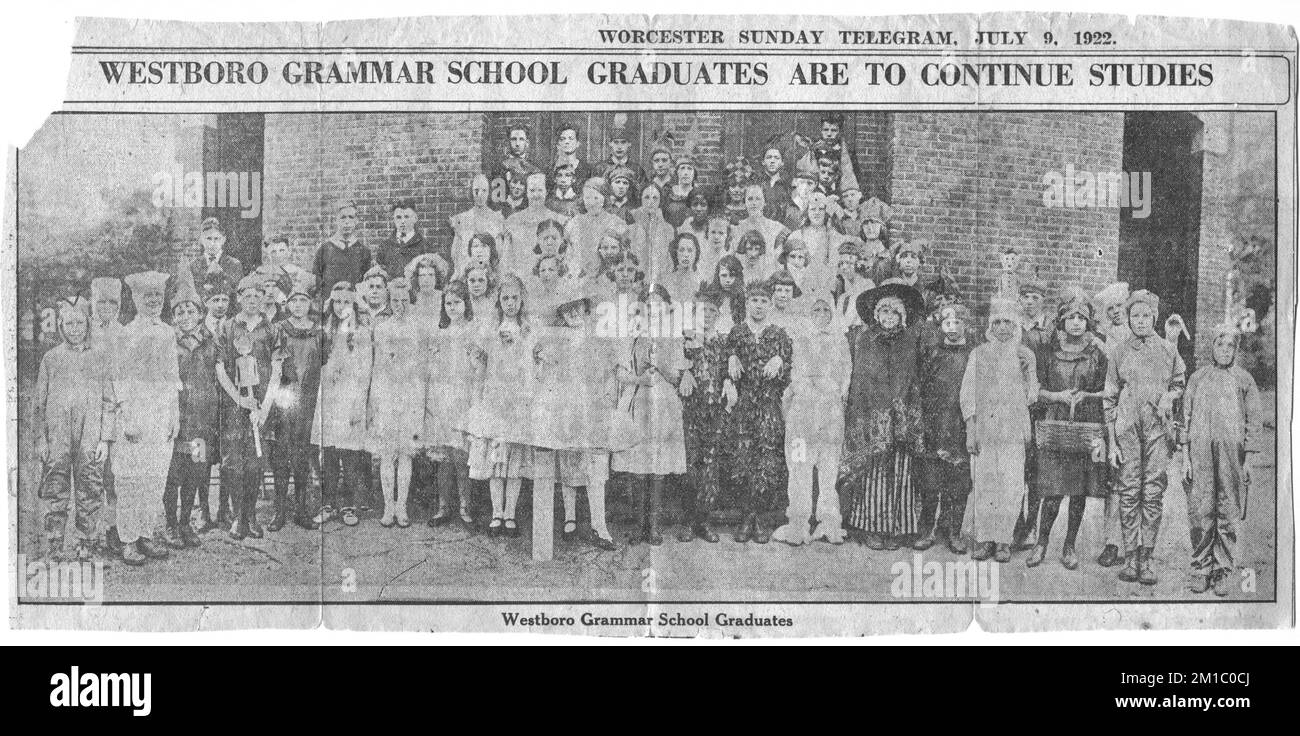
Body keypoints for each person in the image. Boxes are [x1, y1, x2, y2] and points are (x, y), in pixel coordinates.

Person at [531, 283, 629, 551]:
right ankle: (570, 518)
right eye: (567, 308)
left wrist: (608, 396)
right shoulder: (556, 340)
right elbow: (542, 374)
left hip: (593, 408)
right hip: (565, 408)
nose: (573, 312)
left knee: (595, 467)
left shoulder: (598, 339)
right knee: (568, 461)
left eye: (577, 307)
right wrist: (541, 360)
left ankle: (600, 525)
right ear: (562, 313)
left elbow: (611, 373)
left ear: (586, 310)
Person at [1105, 289, 1186, 585]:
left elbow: (1179, 383)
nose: (1140, 321)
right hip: (1127, 430)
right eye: (1135, 315)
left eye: (1146, 315)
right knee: (1128, 491)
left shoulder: (1167, 350)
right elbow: (1109, 399)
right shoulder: (1119, 351)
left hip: (1157, 431)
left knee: (1152, 492)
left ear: (1155, 317)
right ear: (1128, 318)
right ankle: (1129, 557)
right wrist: (1112, 442)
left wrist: (1170, 397)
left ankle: (1147, 557)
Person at [839, 280, 925, 550]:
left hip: (901, 417)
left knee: (900, 474)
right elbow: (860, 380)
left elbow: (913, 378)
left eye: (894, 314)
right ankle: (872, 528)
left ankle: (897, 529)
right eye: (884, 313)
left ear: (902, 316)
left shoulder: (910, 341)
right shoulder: (864, 340)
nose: (889, 318)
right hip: (871, 417)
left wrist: (900, 410)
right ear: (876, 315)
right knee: (874, 475)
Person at [1028, 289, 1109, 570]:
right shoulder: (1048, 353)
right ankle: (1041, 543)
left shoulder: (1097, 354)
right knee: (1051, 490)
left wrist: (1088, 396)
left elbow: (1107, 390)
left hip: (1084, 425)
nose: (1076, 322)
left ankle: (1069, 545)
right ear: (1061, 321)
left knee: (1078, 491)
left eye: (1081, 318)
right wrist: (1057, 396)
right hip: (1055, 423)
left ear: (1088, 322)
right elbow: (1035, 389)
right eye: (1071, 317)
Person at [1181, 322, 1262, 596]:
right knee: (1201, 508)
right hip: (1200, 453)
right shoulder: (1198, 378)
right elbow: (1185, 418)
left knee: (1227, 510)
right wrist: (1186, 458)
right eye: (1220, 344)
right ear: (1211, 347)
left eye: (1230, 346)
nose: (1225, 350)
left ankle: (1222, 570)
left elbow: (1253, 422)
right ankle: (1201, 567)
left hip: (1232, 457)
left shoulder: (1244, 380)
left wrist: (1247, 460)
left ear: (1236, 350)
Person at [33, 296, 116, 561]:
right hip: (57, 434)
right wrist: (41, 440)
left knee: (90, 487)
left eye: (80, 322)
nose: (75, 328)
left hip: (90, 434)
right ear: (60, 325)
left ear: (88, 323)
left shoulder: (100, 358)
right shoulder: (51, 359)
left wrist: (104, 439)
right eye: (69, 323)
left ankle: (86, 543)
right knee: (55, 486)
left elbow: (109, 402)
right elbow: (39, 404)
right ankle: (55, 544)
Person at [962, 297, 1038, 563]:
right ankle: (984, 538)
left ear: (1016, 326)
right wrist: (971, 428)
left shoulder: (1024, 354)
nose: (1003, 327)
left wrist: (1030, 372)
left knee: (1011, 484)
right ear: (990, 327)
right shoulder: (979, 353)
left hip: (1013, 430)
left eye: (1008, 322)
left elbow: (1032, 397)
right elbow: (968, 394)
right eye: (998, 322)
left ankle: (1004, 540)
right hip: (986, 429)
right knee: (985, 483)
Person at [460, 274, 536, 537]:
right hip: (494, 398)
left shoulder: (528, 330)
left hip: (518, 400)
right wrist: (478, 393)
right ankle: (496, 513)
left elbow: (534, 365)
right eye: (505, 298)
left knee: (513, 460)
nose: (510, 303)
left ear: (522, 300)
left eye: (515, 298)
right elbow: (479, 364)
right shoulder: (490, 330)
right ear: (499, 301)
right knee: (496, 459)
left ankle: (511, 513)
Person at [612, 284, 688, 546]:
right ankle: (639, 525)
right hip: (638, 399)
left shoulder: (673, 337)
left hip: (664, 402)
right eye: (648, 304)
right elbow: (620, 373)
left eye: (658, 304)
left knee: (658, 464)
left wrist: (660, 364)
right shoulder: (632, 336)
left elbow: (678, 376)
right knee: (637, 465)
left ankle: (654, 526)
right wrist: (639, 379)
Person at [113, 271, 181, 565]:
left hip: (161, 409)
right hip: (135, 410)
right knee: (131, 477)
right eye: (147, 296)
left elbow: (173, 376)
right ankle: (127, 538)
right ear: (135, 298)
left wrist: (174, 414)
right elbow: (119, 377)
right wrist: (127, 415)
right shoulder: (126, 333)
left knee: (155, 476)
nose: (154, 301)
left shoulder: (168, 331)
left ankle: (145, 533)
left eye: (158, 296)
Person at [773, 289, 848, 546]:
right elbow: (795, 373)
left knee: (829, 468)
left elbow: (845, 374)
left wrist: (833, 391)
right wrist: (806, 390)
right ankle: (798, 524)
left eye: (826, 310)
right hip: (803, 409)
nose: (821, 314)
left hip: (830, 410)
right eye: (816, 309)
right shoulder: (799, 338)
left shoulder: (840, 340)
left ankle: (829, 523)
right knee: (799, 467)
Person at [724, 280, 793, 544]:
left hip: (768, 405)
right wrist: (730, 360)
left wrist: (780, 360)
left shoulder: (778, 334)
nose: (759, 305)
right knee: (743, 460)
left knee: (766, 460)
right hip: (744, 406)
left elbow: (789, 371)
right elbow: (725, 366)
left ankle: (759, 518)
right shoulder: (737, 332)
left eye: (764, 301)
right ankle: (746, 517)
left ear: (770, 303)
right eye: (755, 300)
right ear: (747, 303)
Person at [214, 274, 275, 540]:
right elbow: (219, 367)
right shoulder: (228, 327)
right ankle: (237, 516)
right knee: (233, 463)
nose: (252, 300)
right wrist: (238, 399)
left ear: (263, 299)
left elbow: (277, 370)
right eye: (247, 295)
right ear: (239, 298)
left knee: (255, 463)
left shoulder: (271, 329)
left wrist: (264, 409)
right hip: (234, 408)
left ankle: (251, 516)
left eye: (257, 295)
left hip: (260, 408)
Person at [161, 271, 219, 548]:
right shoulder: (167, 342)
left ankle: (186, 523)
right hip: (176, 421)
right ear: (174, 316)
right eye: (180, 312)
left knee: (195, 473)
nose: (185, 316)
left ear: (199, 313)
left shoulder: (210, 342)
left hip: (201, 422)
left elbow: (220, 377)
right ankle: (171, 524)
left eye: (190, 311)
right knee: (174, 475)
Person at [914, 302, 974, 554]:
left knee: (958, 483)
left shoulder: (973, 355)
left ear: (966, 326)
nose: (951, 328)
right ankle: (926, 529)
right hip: (934, 422)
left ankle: (952, 530)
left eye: (957, 323)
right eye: (947, 323)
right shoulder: (932, 352)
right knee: (930, 481)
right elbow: (919, 385)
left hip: (960, 424)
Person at [264, 276, 322, 532]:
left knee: (302, 457)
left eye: (303, 300)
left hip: (309, 401)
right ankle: (279, 512)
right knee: (281, 458)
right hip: (284, 400)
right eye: (294, 301)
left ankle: (302, 510)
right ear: (287, 304)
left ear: (309, 304)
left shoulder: (319, 332)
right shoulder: (278, 329)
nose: (298, 305)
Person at [312, 282, 372, 528]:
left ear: (354, 304)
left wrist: (360, 403)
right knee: (329, 453)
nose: (341, 307)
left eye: (346, 302)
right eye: (337, 302)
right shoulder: (326, 330)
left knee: (349, 455)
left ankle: (348, 505)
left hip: (351, 397)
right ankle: (328, 504)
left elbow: (365, 370)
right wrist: (327, 372)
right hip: (328, 397)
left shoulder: (362, 332)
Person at [367, 278, 425, 528]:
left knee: (405, 454)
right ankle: (388, 506)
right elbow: (378, 365)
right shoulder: (382, 328)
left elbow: (422, 366)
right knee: (387, 453)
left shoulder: (417, 328)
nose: (400, 305)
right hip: (388, 393)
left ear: (409, 301)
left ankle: (402, 505)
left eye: (404, 300)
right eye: (395, 301)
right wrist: (377, 398)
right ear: (389, 302)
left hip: (410, 393)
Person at [677, 285, 730, 544]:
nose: (707, 314)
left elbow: (730, 367)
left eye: (712, 310)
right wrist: (683, 372)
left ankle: (704, 520)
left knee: (711, 466)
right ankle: (688, 520)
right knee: (691, 465)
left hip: (715, 410)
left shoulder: (722, 340)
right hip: (691, 410)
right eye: (703, 310)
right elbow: (676, 363)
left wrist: (730, 380)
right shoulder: (686, 337)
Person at [424, 280, 478, 528]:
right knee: (444, 458)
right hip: (443, 398)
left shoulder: (473, 331)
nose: (452, 307)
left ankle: (465, 505)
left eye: (457, 303)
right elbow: (432, 369)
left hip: (464, 397)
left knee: (461, 456)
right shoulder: (439, 334)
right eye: (448, 303)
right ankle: (443, 506)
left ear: (465, 304)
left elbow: (477, 368)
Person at [1092, 281, 1132, 567]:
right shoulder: (1101, 339)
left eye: (1120, 307)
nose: (1116, 313)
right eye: (1111, 309)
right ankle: (1111, 542)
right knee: (1115, 482)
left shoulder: (1140, 334)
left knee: (1137, 481)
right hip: (1110, 414)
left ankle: (1136, 543)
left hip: (1136, 415)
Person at [89, 276, 126, 551]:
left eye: (112, 302)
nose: (106, 307)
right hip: (89, 411)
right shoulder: (83, 332)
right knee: (91, 475)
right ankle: (88, 532)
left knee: (114, 476)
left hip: (116, 412)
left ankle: (114, 528)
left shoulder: (124, 334)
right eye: (101, 301)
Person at [504, 172, 568, 274]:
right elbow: (507, 258)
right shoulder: (513, 221)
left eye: (540, 190)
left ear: (546, 191)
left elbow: (566, 257)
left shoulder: (560, 220)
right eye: (532, 190)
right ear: (526, 192)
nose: (536, 195)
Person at [312, 200, 371, 307]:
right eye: (343, 217)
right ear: (336, 220)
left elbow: (365, 284)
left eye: (351, 217)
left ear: (356, 220)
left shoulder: (363, 251)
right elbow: (316, 283)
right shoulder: (324, 249)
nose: (347, 222)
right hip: (330, 308)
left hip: (354, 308)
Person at [565, 177, 628, 277]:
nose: (591, 203)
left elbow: (624, 257)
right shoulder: (574, 224)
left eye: (596, 198)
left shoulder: (617, 223)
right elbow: (568, 256)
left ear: (605, 198)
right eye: (587, 198)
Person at [449, 174, 506, 276]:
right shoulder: (461, 219)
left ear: (489, 192)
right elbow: (456, 255)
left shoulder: (497, 218)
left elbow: (499, 254)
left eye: (484, 190)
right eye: (476, 190)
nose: (480, 194)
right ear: (471, 192)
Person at [729, 185, 790, 275]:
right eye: (750, 199)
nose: (754, 203)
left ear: (764, 202)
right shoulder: (737, 229)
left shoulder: (776, 228)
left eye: (758, 199)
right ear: (745, 202)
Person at [376, 199, 442, 280]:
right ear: (393, 219)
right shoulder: (385, 246)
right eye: (399, 217)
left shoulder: (425, 246)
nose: (403, 221)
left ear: (415, 218)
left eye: (407, 217)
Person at [628, 183, 676, 280]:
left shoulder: (668, 229)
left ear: (660, 201)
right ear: (640, 199)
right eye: (647, 197)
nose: (650, 202)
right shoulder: (631, 228)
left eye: (655, 198)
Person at [190, 217, 246, 290]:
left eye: (216, 239)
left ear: (223, 239)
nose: (212, 244)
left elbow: (238, 293)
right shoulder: (194, 266)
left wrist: (222, 275)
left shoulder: (234, 265)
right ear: (201, 239)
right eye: (208, 238)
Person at [596, 121, 646, 188]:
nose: (619, 147)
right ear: (610, 143)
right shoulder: (600, 169)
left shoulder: (637, 170)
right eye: (616, 142)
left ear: (629, 144)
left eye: (623, 142)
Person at [709, 253, 747, 336]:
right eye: (724, 275)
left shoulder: (742, 298)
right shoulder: (710, 298)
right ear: (718, 276)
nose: (728, 280)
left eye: (732, 276)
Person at [661, 232, 703, 305]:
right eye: (681, 250)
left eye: (690, 250)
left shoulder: (701, 282)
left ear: (696, 253)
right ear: (675, 253)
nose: (686, 255)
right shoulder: (666, 281)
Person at [551, 122, 594, 186]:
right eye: (562, 139)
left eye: (571, 139)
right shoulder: (551, 170)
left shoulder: (587, 170)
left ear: (577, 143)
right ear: (557, 144)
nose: (567, 142)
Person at [758, 145, 792, 222]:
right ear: (763, 162)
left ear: (782, 162)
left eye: (776, 158)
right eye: (769, 157)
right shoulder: (756, 184)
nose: (772, 161)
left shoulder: (788, 186)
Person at [662, 154, 698, 228]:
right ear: (677, 172)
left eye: (689, 169)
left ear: (694, 173)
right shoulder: (667, 193)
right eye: (682, 168)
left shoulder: (698, 194)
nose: (685, 173)